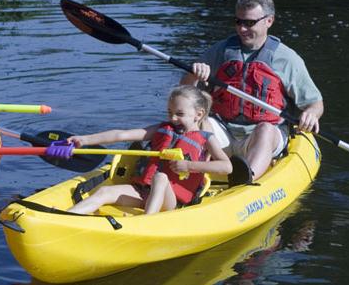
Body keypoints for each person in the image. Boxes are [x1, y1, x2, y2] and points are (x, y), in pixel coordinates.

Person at [180, 0, 324, 181]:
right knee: (198, 120)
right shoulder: (221, 51)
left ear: (269, 21)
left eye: (249, 23)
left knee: (265, 129)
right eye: (238, 22)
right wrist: (193, 74)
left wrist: (311, 114)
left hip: (261, 135)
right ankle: (187, 172)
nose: (242, 29)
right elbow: (185, 94)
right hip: (223, 131)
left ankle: (247, 178)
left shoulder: (287, 59)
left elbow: (315, 103)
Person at [66, 85, 232, 215]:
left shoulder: (206, 138)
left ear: (198, 114)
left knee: (160, 177)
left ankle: (146, 222)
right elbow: (122, 135)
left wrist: (189, 166)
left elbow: (226, 166)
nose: (173, 118)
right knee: (104, 191)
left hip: (171, 200)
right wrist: (85, 139)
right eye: (170, 112)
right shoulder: (161, 129)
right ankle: (65, 218)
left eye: (180, 113)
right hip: (143, 192)